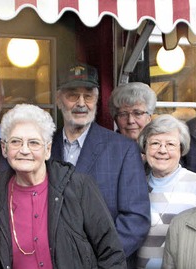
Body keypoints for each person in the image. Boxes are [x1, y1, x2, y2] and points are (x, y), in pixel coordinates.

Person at [0, 104, 126, 268]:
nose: (24, 150)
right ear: (4, 149)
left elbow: (111, 253)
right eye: (16, 142)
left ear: (47, 150)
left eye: (34, 143)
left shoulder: (78, 187)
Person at [50, 63, 150, 266]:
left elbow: (136, 219)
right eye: (72, 95)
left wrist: (100, 260)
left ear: (97, 100)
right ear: (58, 99)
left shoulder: (122, 150)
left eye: (88, 95)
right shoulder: (44, 147)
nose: (81, 103)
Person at [136, 115, 196, 269]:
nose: (162, 150)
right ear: (145, 148)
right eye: (155, 143)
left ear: (182, 148)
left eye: (170, 144)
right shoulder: (136, 186)